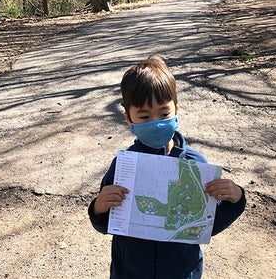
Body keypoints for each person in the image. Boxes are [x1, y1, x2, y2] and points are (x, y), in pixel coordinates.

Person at [88, 55, 246, 278]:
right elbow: (109, 224)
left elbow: (206, 226)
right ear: (128, 119)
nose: (156, 122)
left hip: (181, 272)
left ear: (176, 111)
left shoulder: (194, 165)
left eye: (164, 114)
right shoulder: (125, 166)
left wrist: (235, 200)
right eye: (143, 116)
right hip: (130, 272)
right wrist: (99, 208)